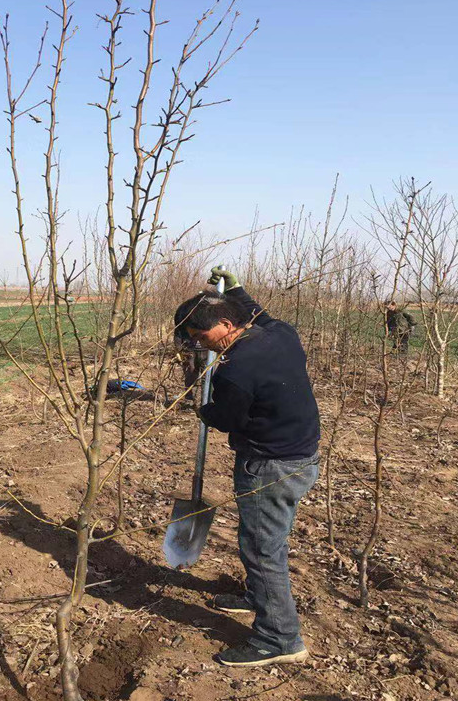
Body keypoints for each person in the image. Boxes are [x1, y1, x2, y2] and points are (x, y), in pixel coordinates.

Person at [173, 270, 320, 668]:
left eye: (202, 338)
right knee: (266, 539)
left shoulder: (236, 369)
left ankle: (279, 639)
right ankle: (257, 598)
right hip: (301, 458)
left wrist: (203, 408)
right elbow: (259, 314)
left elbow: (225, 419)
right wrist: (236, 289)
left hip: (269, 468)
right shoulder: (280, 335)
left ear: (224, 325)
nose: (201, 346)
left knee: (262, 549)